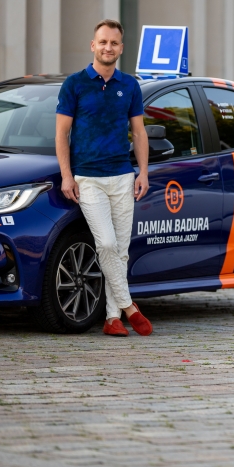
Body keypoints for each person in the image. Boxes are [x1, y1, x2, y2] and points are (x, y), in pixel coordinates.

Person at [55, 19, 153, 337]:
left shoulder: (130, 86)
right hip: (88, 178)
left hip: (123, 177)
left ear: (121, 48)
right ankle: (130, 307)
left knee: (120, 251)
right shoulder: (74, 84)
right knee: (106, 243)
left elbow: (139, 133)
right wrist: (67, 176)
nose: (107, 47)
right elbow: (61, 134)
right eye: (102, 42)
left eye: (113, 43)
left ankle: (113, 318)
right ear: (92, 45)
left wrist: (143, 172)